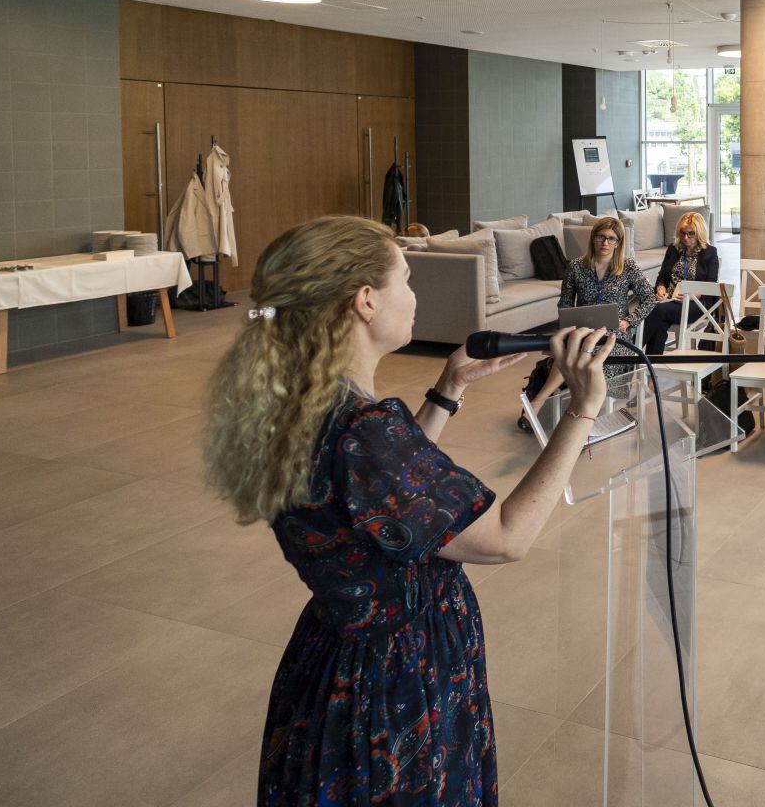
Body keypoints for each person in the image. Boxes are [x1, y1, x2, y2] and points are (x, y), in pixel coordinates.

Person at [202, 215, 611, 804]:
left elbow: (382, 499)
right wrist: (582, 409)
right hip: (395, 687)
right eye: (407, 279)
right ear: (366, 301)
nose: (415, 294)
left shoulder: (301, 405)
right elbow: (505, 538)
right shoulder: (364, 432)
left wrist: (447, 390)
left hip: (335, 665)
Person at [524, 215, 651, 408]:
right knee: (571, 350)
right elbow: (565, 303)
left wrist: (629, 321)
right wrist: (568, 323)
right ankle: (544, 403)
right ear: (593, 238)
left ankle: (553, 406)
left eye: (611, 238)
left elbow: (649, 299)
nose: (605, 242)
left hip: (614, 335)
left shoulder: (627, 267)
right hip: (582, 329)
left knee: (584, 355)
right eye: (600, 236)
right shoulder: (575, 267)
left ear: (618, 243)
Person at [643, 210, 719, 356]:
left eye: (691, 234)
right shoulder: (673, 249)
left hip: (697, 303)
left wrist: (691, 295)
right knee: (659, 324)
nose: (685, 237)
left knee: (656, 310)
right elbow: (662, 277)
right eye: (683, 233)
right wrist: (660, 288)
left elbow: (711, 284)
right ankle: (652, 372)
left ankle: (630, 351)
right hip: (670, 301)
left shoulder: (710, 253)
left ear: (700, 233)